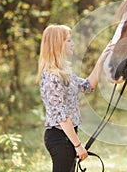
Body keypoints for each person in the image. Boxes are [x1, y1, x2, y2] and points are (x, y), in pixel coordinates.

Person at [36, 24, 113, 172]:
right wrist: (78, 146)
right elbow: (61, 116)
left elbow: (88, 86)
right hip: (59, 137)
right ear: (59, 44)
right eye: (69, 41)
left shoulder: (64, 73)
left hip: (67, 137)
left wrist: (101, 59)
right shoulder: (52, 77)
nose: (73, 44)